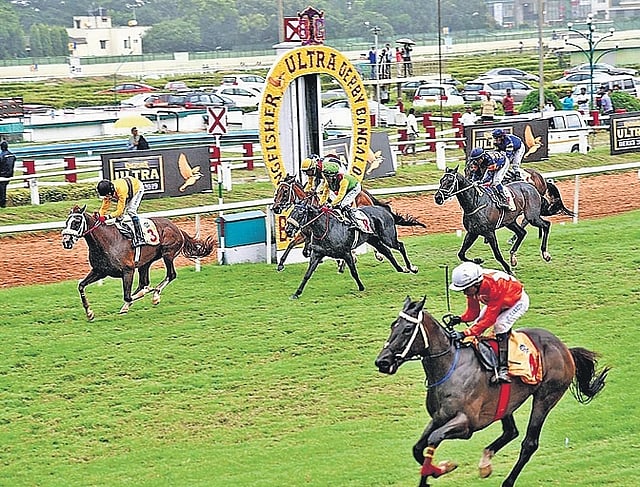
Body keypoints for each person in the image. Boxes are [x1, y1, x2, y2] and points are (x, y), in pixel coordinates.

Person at [449, 261, 529, 383]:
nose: (464, 292)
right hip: (498, 301)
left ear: (476, 284)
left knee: (500, 325)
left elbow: (490, 319)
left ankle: (503, 368)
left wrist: (465, 333)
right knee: (477, 322)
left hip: (517, 301)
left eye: (466, 289)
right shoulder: (474, 287)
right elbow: (474, 312)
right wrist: (460, 319)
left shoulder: (494, 285)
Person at [96, 176, 146, 247]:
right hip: (128, 187)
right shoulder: (109, 190)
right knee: (120, 217)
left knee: (131, 210)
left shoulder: (121, 191)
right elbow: (104, 208)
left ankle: (140, 238)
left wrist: (106, 217)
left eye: (106, 195)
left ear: (110, 192)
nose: (106, 197)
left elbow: (119, 210)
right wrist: (99, 216)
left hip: (137, 188)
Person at [319, 158, 362, 228]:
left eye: (328, 177)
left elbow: (340, 196)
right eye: (325, 176)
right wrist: (320, 204)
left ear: (334, 176)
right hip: (344, 189)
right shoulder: (327, 182)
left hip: (354, 188)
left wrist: (331, 204)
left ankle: (354, 222)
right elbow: (325, 194)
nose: (326, 179)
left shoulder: (343, 181)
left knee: (343, 204)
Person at [0, 141, 16, 208]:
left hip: (2, 175)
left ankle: (2, 204)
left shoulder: (1, 155)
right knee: (3, 189)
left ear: (1, 147)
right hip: (9, 175)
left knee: (2, 190)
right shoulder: (12, 155)